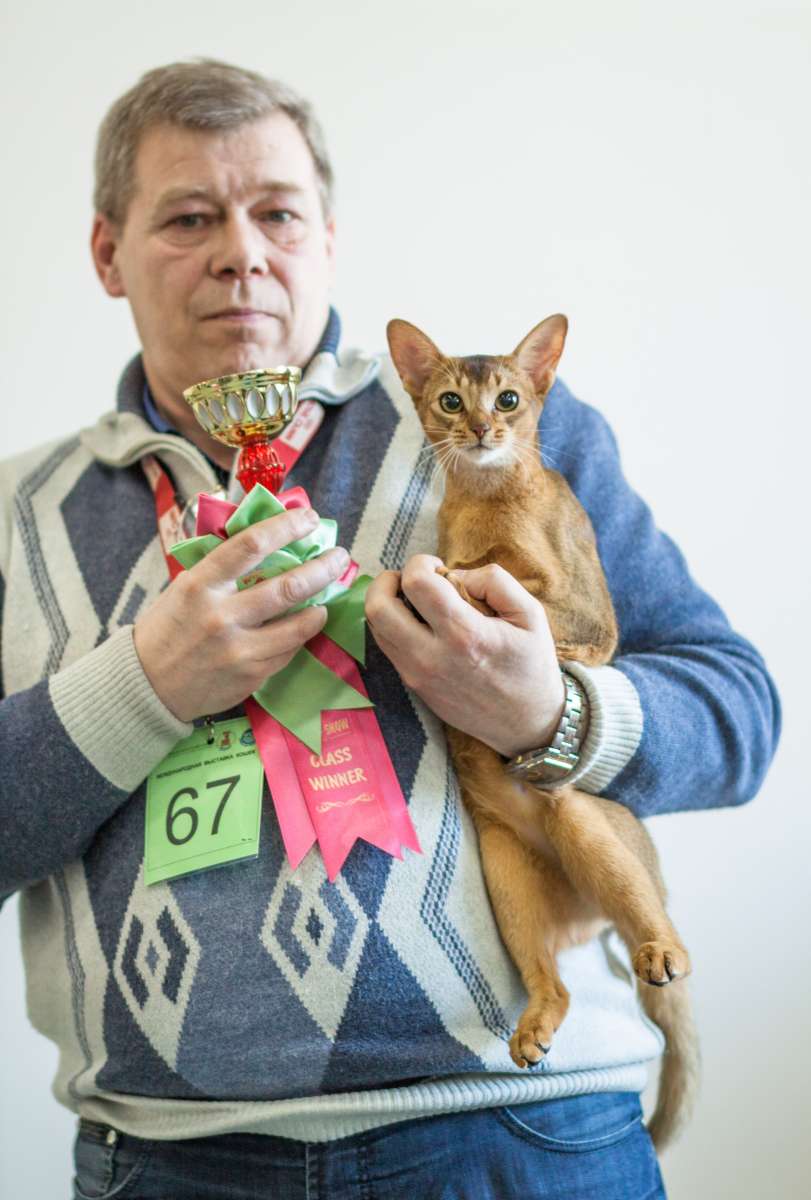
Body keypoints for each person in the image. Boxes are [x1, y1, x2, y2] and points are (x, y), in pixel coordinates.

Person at [0, 59, 780, 1199]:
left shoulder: (503, 434)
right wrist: (141, 688)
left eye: (277, 212)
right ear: (107, 253)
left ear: (328, 237)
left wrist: (551, 715)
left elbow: (738, 714)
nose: (241, 253)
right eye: (188, 217)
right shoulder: (18, 516)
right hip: (164, 1164)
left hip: (524, 1134)